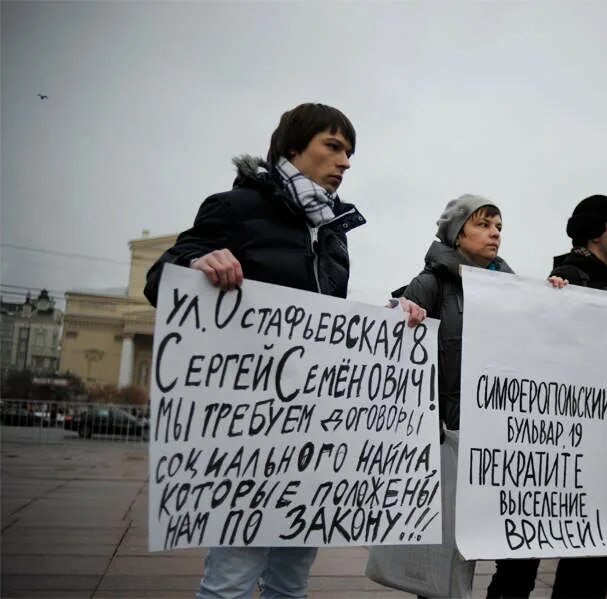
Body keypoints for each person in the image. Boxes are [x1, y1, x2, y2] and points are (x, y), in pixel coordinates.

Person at [144, 102, 425, 599]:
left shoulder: (334, 234)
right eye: (333, 147)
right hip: (245, 432)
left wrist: (389, 322)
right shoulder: (234, 207)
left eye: (350, 152)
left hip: (308, 436)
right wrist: (197, 260)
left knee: (291, 582)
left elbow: (326, 325)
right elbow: (162, 276)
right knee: (230, 579)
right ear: (293, 148)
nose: (345, 162)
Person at [489, 194, 607, 599]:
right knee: (583, 559)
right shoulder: (571, 282)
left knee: (592, 555)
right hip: (589, 447)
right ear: (594, 233)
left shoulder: (602, 284)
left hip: (600, 446)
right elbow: (567, 368)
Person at [395, 194, 565, 599]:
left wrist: (559, 300)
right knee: (446, 562)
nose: (495, 234)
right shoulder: (430, 285)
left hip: (505, 439)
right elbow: (400, 359)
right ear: (457, 234)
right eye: (484, 224)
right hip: (450, 440)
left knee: (520, 553)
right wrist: (400, 314)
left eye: (499, 227)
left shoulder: (519, 291)